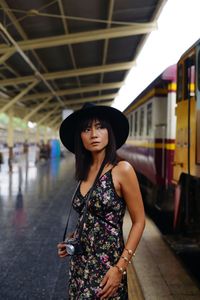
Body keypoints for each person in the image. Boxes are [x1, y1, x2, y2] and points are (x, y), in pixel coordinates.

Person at [57, 103, 145, 299]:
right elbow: (91, 218)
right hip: (79, 268)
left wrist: (120, 268)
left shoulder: (122, 169)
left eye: (100, 127)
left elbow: (139, 222)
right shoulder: (84, 171)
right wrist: (72, 239)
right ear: (80, 137)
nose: (94, 134)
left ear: (109, 132)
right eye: (87, 129)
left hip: (108, 270)